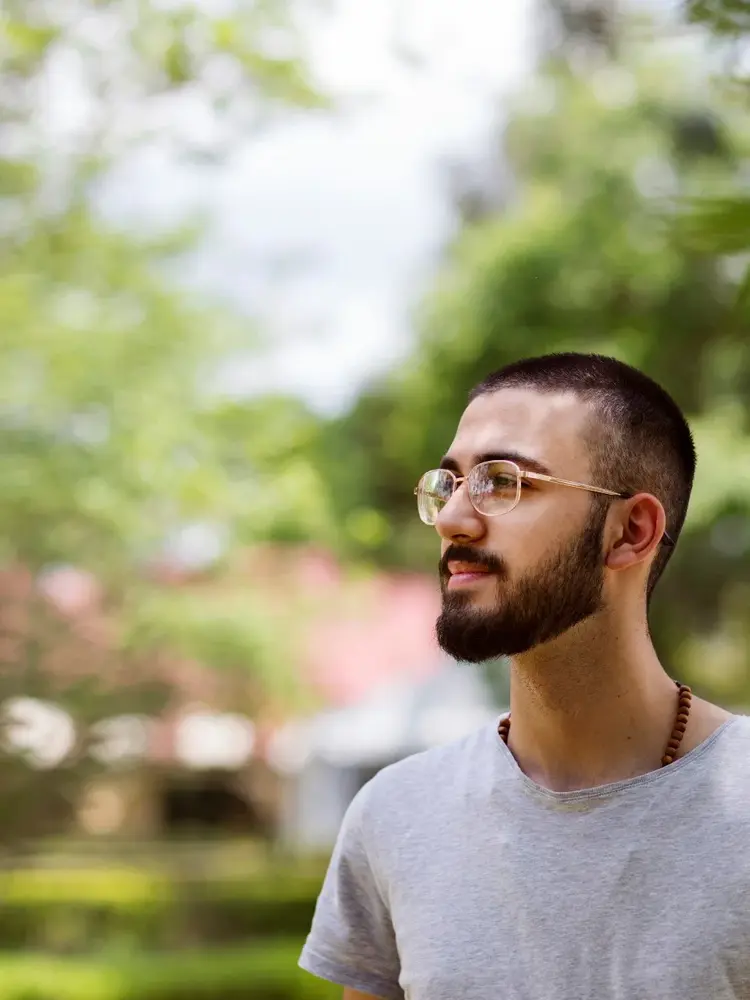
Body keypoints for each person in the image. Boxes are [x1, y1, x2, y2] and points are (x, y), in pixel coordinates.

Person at [298, 352, 750, 1000]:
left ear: (630, 532)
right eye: (449, 484)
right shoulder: (395, 815)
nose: (453, 518)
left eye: (503, 482)